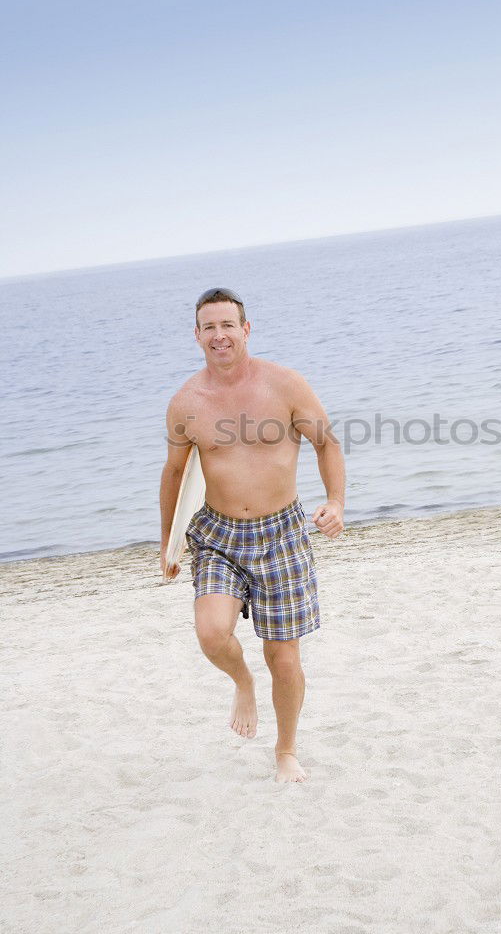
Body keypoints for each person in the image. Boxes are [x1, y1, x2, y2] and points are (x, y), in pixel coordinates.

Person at [160, 287, 345, 783]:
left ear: (246, 329)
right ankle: (242, 682)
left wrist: (335, 503)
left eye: (228, 325)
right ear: (196, 336)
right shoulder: (186, 402)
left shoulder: (284, 385)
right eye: (209, 327)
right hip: (219, 534)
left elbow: (326, 444)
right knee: (211, 632)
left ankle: (285, 751)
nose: (219, 336)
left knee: (283, 657)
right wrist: (169, 543)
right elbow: (175, 474)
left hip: (281, 531)